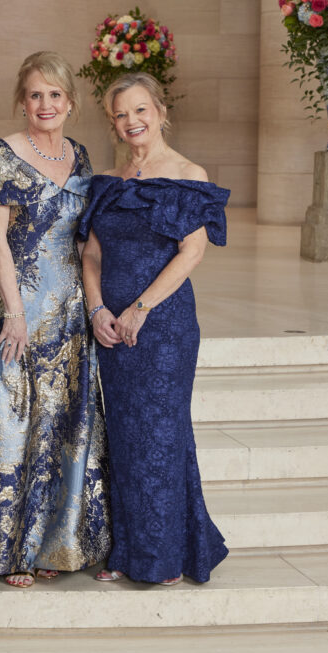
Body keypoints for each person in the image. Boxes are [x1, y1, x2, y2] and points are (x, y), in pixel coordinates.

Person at [80, 71, 229, 586]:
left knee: (161, 435)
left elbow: (193, 251)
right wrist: (98, 309)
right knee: (123, 435)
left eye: (140, 110)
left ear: (161, 112)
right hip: (110, 326)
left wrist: (140, 308)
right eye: (121, 114)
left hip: (162, 326)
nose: (131, 121)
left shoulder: (189, 174)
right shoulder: (108, 181)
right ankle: (126, 552)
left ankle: (164, 557)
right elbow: (91, 252)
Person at [0, 51, 111, 588]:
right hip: (16, 308)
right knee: (14, 424)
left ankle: (55, 544)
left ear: (71, 104)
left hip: (69, 311)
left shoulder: (80, 156)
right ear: (22, 101)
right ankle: (10, 551)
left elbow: (85, 239)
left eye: (55, 95)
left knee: (63, 425)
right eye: (35, 95)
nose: (45, 104)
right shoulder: (3, 153)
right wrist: (14, 313)